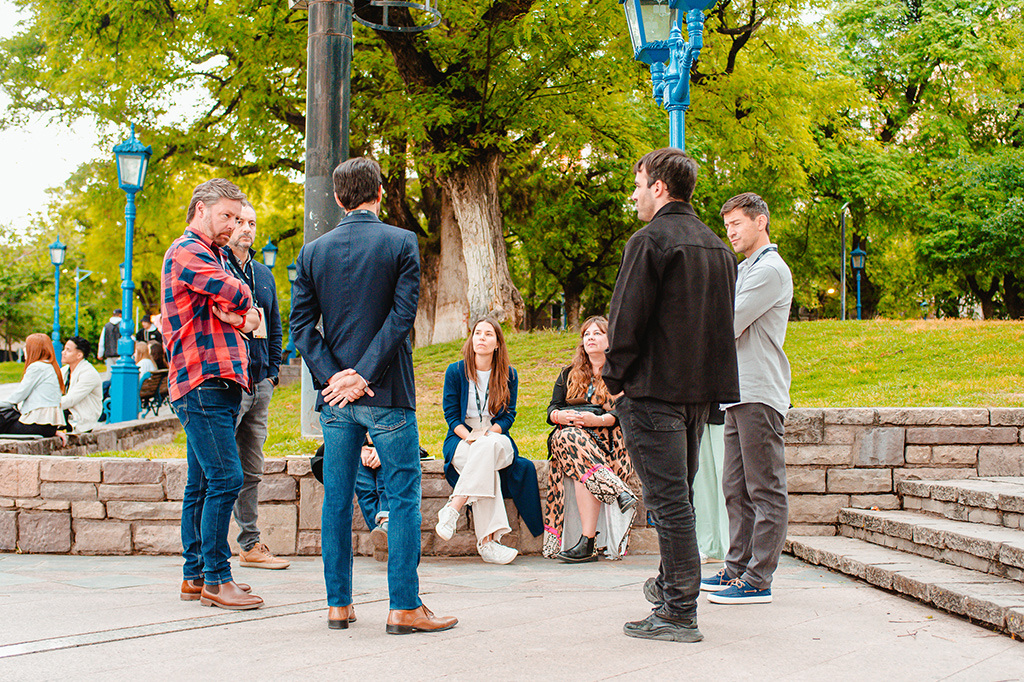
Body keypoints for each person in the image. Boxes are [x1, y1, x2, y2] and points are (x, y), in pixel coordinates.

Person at [291, 157, 456, 634]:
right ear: (379, 193)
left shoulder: (313, 251)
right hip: (387, 392)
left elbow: (302, 326)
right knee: (403, 497)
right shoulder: (402, 242)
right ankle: (403, 606)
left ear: (340, 199)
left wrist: (334, 378)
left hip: (337, 401)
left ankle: (338, 606)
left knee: (336, 501)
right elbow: (402, 318)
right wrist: (362, 375)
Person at [604, 148, 739, 643]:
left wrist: (613, 382)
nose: (634, 193)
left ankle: (679, 609)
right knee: (677, 497)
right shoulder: (716, 246)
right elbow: (719, 327)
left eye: (638, 183)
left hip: (653, 392)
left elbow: (627, 318)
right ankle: (669, 587)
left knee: (669, 503)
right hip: (696, 396)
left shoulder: (650, 240)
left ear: (659, 187)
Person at [161, 178, 263, 611]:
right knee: (226, 479)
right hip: (203, 379)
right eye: (227, 216)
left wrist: (245, 318)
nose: (234, 225)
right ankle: (217, 579)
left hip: (214, 380)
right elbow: (238, 293)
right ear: (201, 209)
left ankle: (194, 576)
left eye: (240, 218)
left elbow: (252, 308)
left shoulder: (217, 254)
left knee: (201, 484)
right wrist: (245, 310)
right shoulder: (189, 250)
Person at [702, 192, 793, 606]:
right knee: (735, 489)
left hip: (758, 391)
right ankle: (736, 568)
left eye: (737, 223)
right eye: (727, 226)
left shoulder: (769, 270)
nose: (731, 232)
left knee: (765, 488)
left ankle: (759, 579)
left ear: (761, 222)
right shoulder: (745, 270)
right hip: (737, 392)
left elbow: (726, 322)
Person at [437, 317, 542, 565]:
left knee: (487, 449)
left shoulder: (508, 374)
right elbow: (451, 415)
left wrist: (487, 435)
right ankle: (488, 544)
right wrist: (472, 438)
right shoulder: (456, 371)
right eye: (477, 333)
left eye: (488, 334)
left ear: (497, 343)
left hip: (497, 437)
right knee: (486, 467)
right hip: (462, 438)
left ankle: (454, 506)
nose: (481, 338)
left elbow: (509, 415)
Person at [224, 200, 288, 570]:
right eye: (239, 221)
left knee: (252, 467)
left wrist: (273, 371)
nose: (246, 228)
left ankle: (250, 543)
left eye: (251, 222)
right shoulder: (217, 266)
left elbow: (276, 325)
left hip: (260, 382)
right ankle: (207, 547)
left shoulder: (263, 274)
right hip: (228, 381)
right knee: (218, 467)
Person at [543, 315, 638, 563]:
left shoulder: (622, 373)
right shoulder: (568, 374)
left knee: (575, 455)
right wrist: (560, 415)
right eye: (586, 334)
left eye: (597, 333)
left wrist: (599, 420)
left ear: (610, 340)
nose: (590, 338)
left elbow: (627, 411)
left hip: (610, 444)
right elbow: (552, 409)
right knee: (567, 436)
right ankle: (616, 491)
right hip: (572, 440)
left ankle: (587, 544)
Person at [0, 333, 66, 439]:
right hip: (49, 426)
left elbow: (18, 396)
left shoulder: (37, 367)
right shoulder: (51, 367)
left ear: (34, 349)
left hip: (36, 424)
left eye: (27, 346)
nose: (24, 349)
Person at [693, 405, 729, 563]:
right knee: (702, 482)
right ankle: (710, 546)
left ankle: (732, 548)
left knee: (727, 479)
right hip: (700, 408)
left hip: (729, 409)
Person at [354, 436, 389, 561]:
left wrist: (382, 448)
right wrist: (361, 446)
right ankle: (385, 532)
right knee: (365, 490)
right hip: (355, 446)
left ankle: (384, 529)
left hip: (389, 444)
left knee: (385, 486)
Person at [59, 336, 102, 433]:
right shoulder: (64, 371)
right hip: (65, 413)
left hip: (80, 419)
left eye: (68, 350)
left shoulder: (89, 373)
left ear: (79, 355)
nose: (63, 352)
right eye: (64, 349)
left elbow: (70, 400)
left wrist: (46, 406)